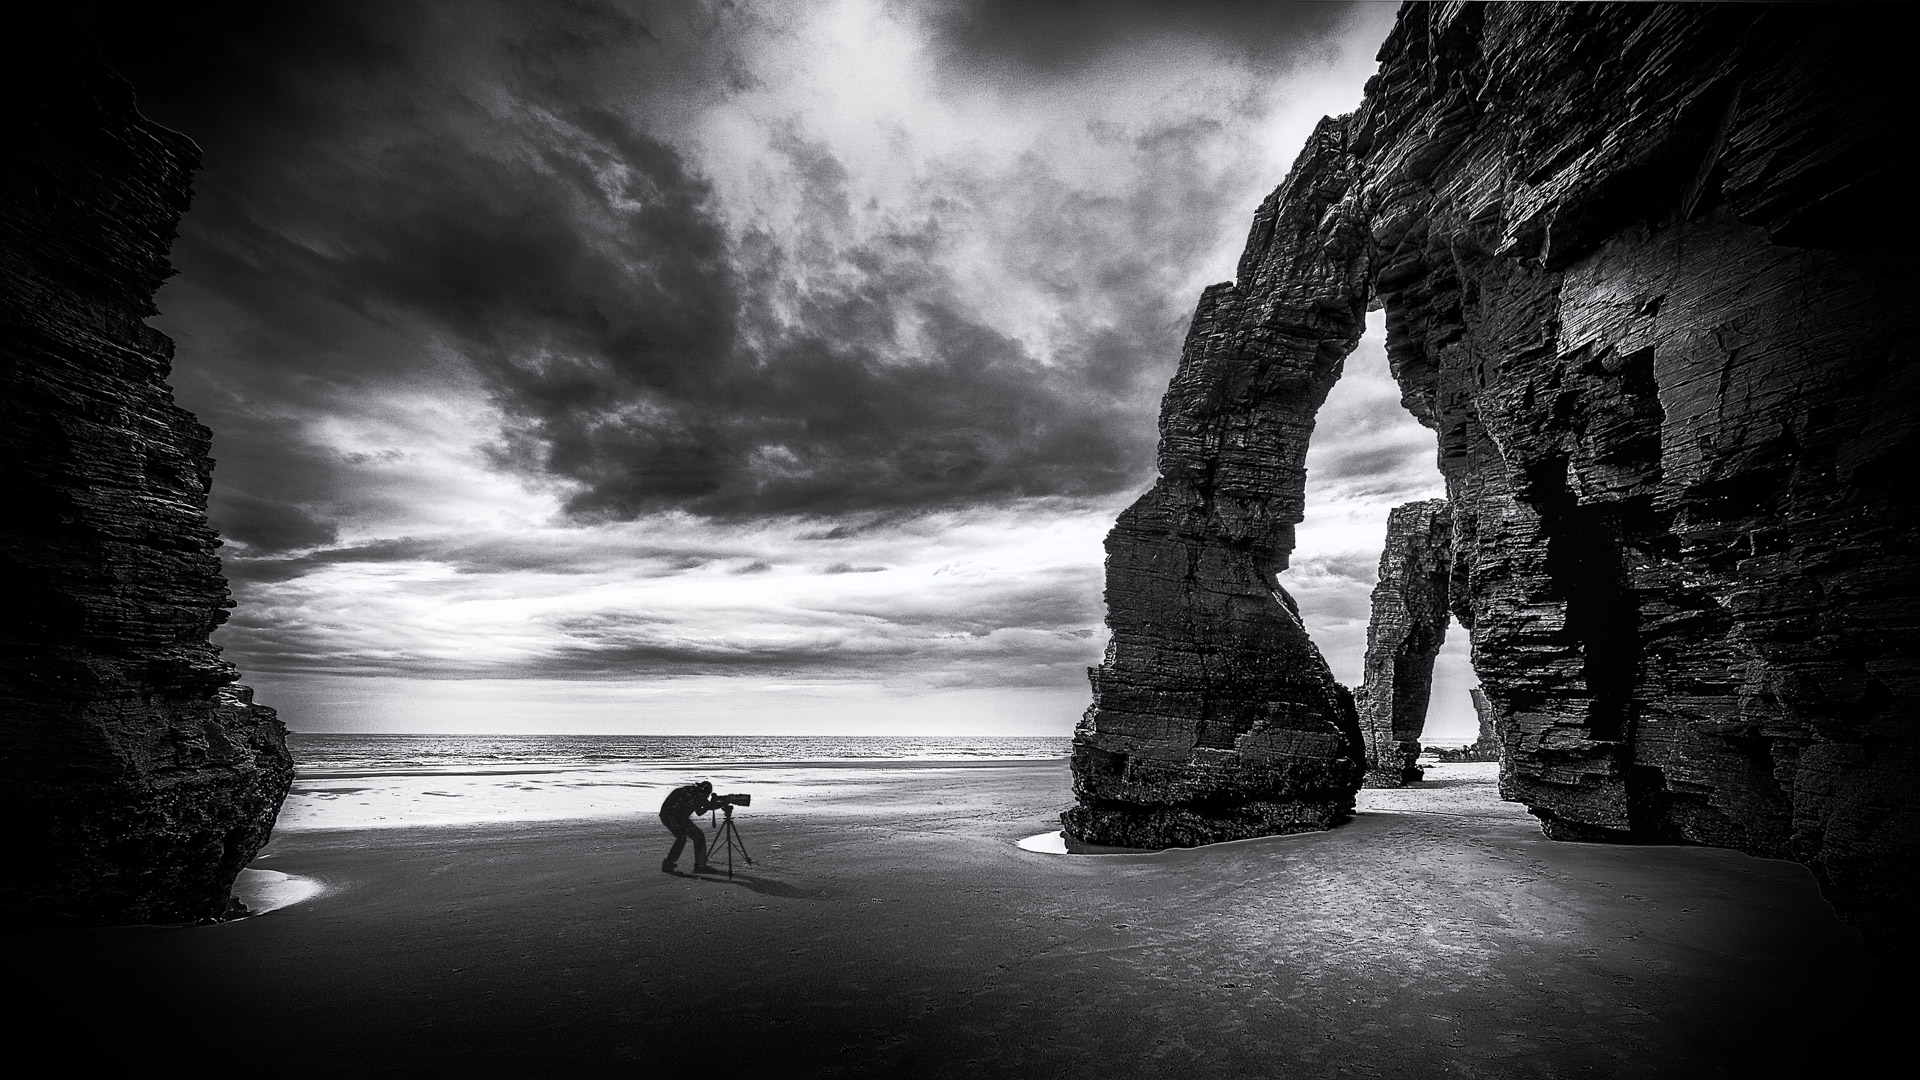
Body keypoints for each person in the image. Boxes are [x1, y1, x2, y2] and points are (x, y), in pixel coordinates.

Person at [659, 780, 718, 874]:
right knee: (681, 838)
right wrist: (712, 804)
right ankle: (668, 864)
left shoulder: (696, 793)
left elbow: (699, 811)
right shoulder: (691, 795)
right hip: (670, 816)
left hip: (677, 816)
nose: (706, 797)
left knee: (698, 836)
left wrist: (712, 804)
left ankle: (700, 865)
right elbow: (699, 810)